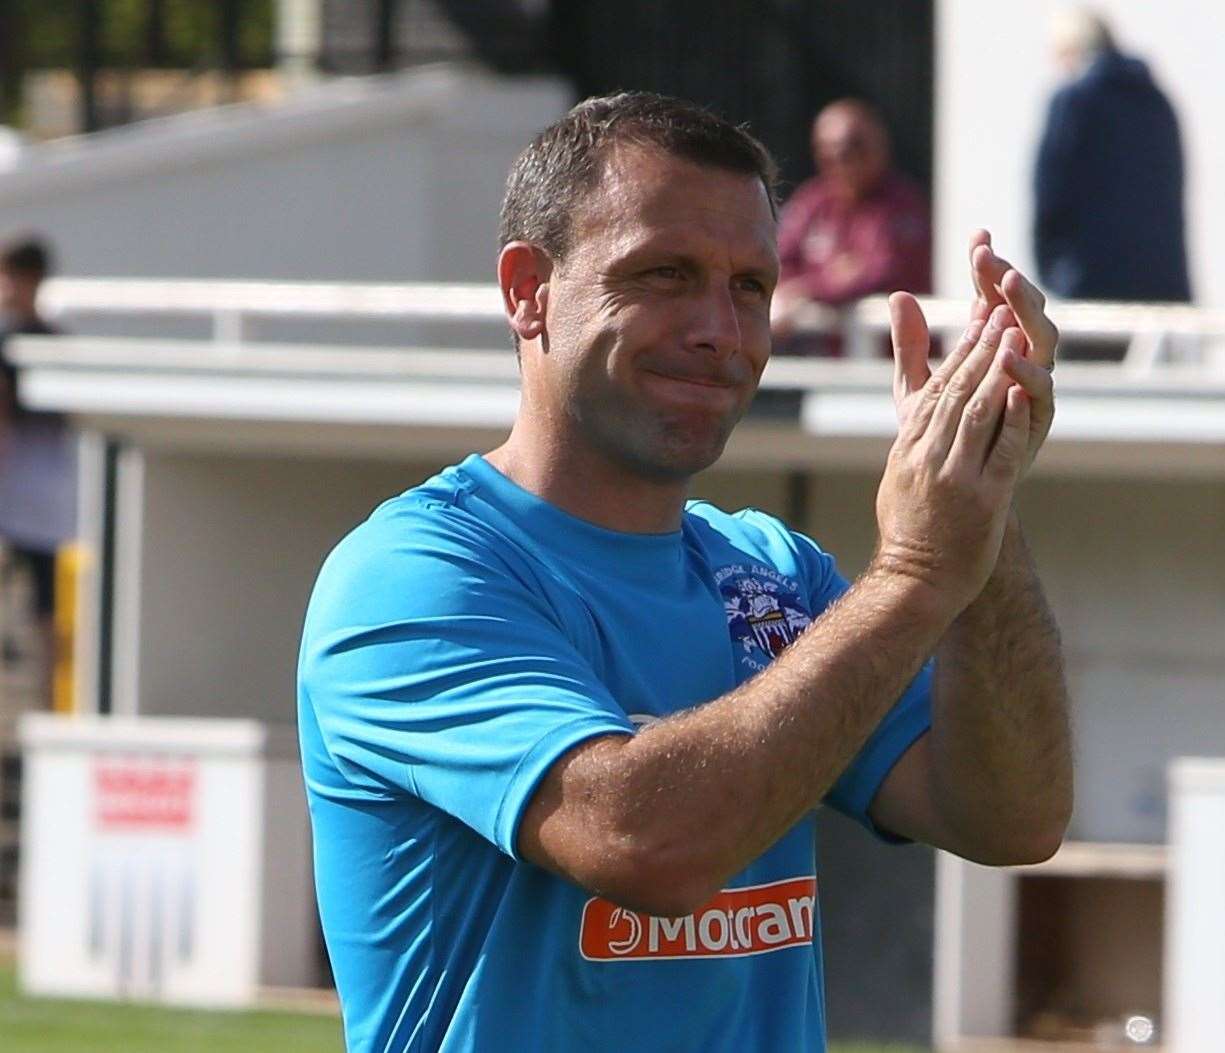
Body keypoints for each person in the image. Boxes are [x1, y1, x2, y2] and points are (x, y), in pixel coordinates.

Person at [298, 92, 1072, 1052]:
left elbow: (1009, 816)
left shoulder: (773, 574)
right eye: (664, 274)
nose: (720, 327)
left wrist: (980, 495)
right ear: (526, 289)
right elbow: (643, 844)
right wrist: (916, 571)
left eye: (750, 285)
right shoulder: (415, 574)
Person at [1034, 10, 1190, 306]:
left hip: (1090, 284)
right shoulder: (1156, 101)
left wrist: (1056, 273)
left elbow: (1051, 193)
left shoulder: (1074, 101)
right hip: (1162, 286)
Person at [772, 99, 931, 355]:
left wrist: (807, 288)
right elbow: (775, 260)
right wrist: (830, 276)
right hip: (833, 366)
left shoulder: (902, 204)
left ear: (880, 145)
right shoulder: (814, 201)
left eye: (854, 145)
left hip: (896, 364)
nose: (840, 157)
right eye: (828, 148)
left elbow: (880, 273)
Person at [0, 236, 74, 665]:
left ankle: (51, 701)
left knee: (48, 615)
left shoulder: (49, 344)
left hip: (41, 507)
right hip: (16, 506)